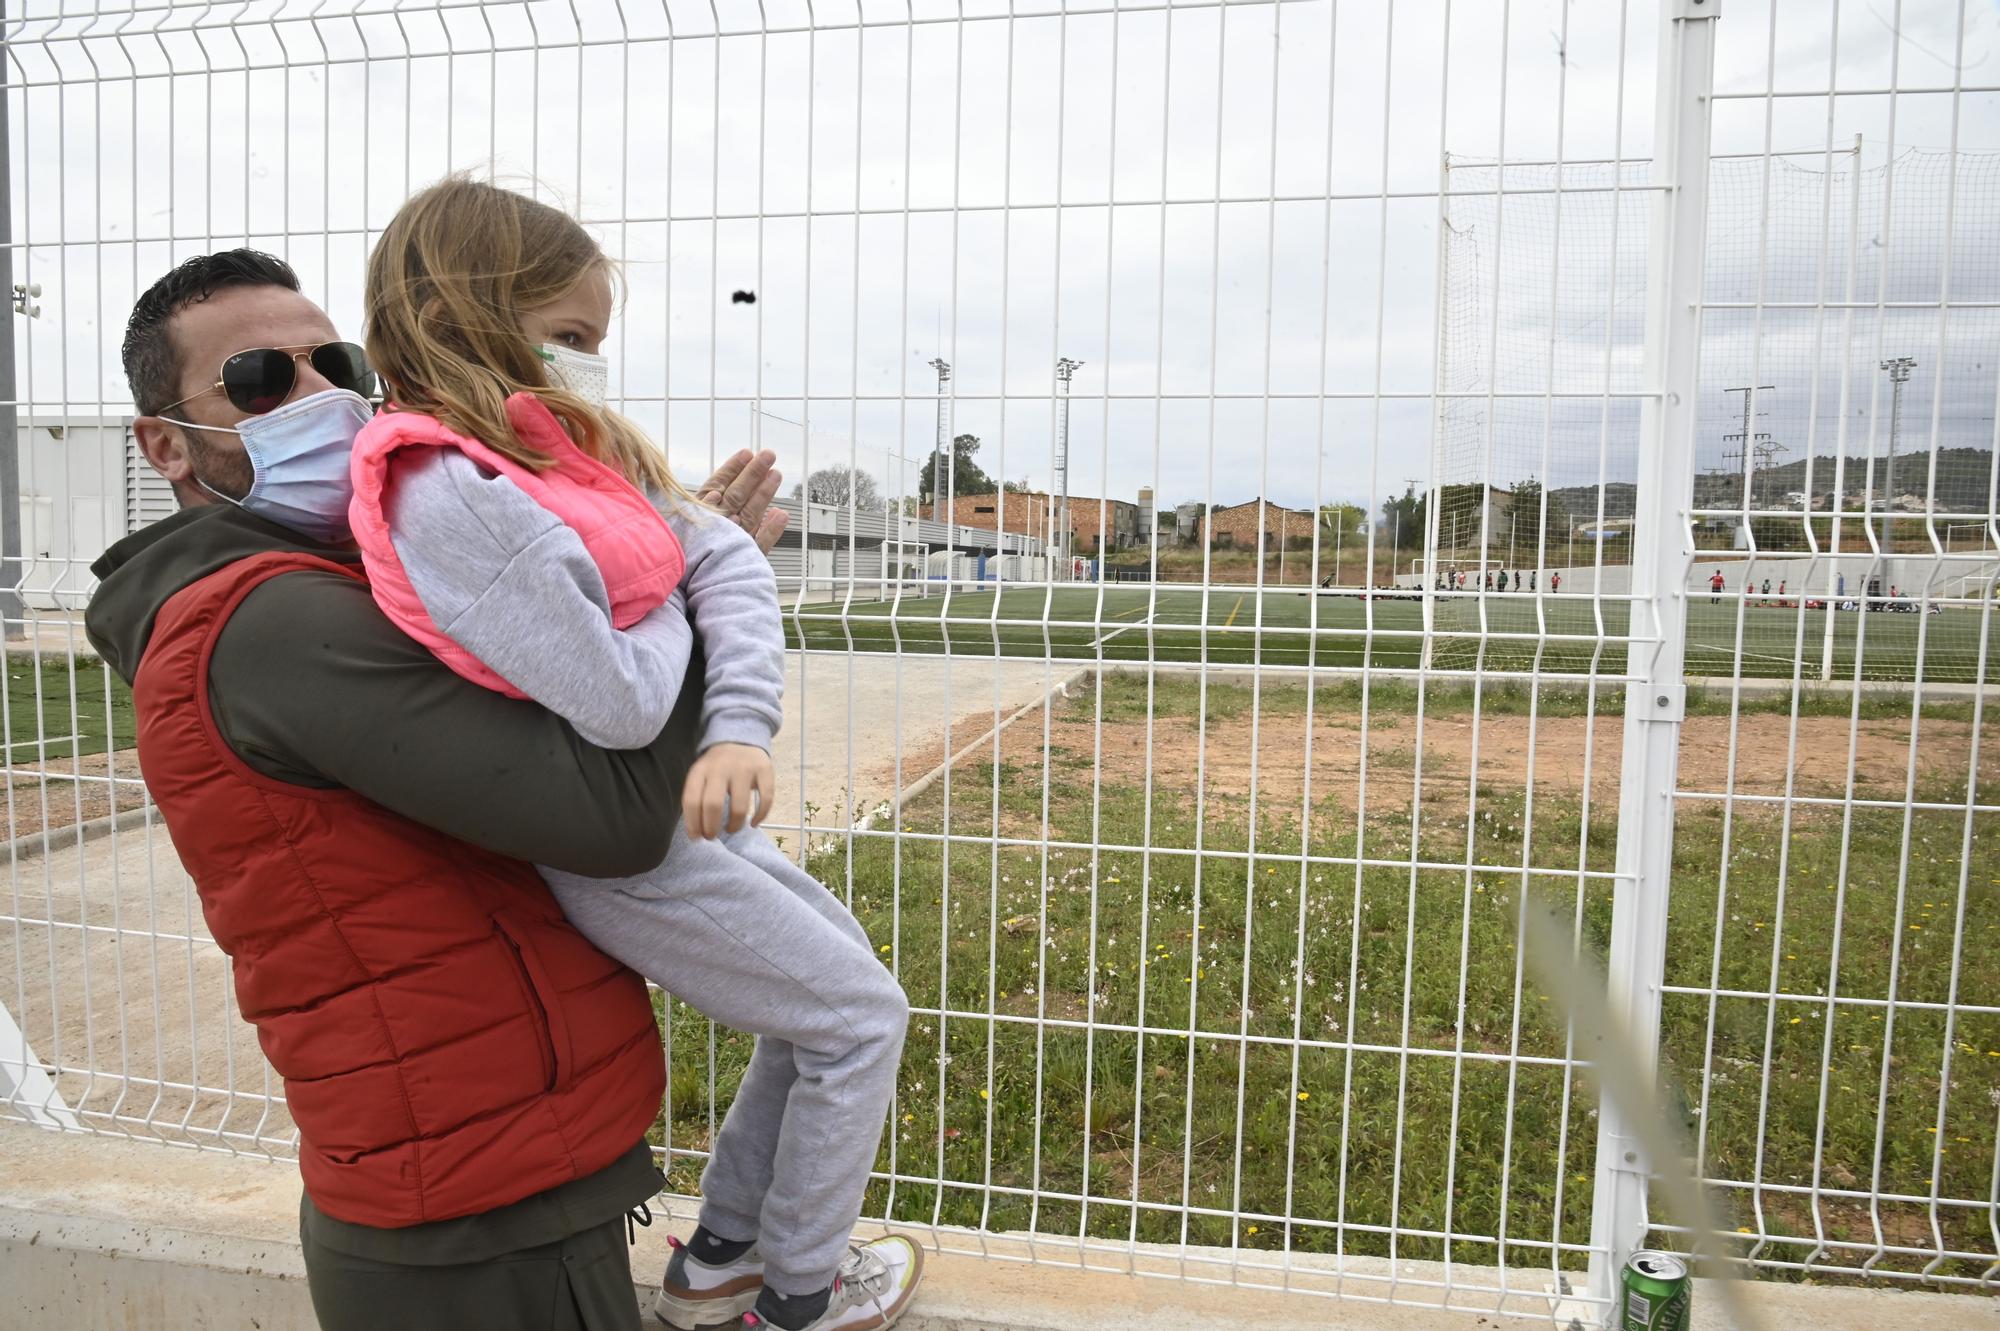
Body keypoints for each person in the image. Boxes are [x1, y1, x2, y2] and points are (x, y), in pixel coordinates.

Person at [87, 249, 790, 1331]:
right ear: (166, 444)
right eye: (259, 380)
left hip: (503, 1179)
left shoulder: (343, 583)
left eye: (335, 361)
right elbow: (611, 817)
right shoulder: (272, 624)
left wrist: (636, 551)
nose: (319, 392)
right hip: (473, 1228)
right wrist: (696, 589)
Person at [349, 179, 917, 1331]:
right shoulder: (444, 487)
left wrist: (738, 718)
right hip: (614, 838)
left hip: (676, 808)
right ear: (466, 311)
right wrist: (677, 572)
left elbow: (733, 568)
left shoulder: (563, 452)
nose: (583, 366)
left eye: (591, 342)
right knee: (858, 1018)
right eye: (566, 337)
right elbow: (614, 697)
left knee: (835, 993)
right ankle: (797, 1298)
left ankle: (721, 1257)